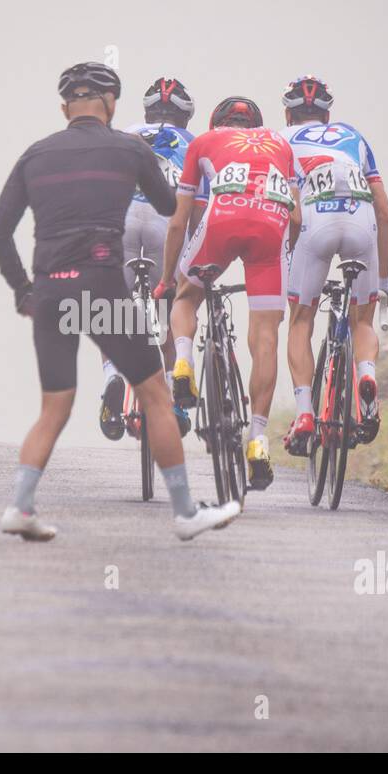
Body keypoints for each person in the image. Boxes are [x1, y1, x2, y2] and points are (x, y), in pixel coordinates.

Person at [0, 62, 241, 542]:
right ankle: (186, 513)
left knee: (54, 408)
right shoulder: (129, 148)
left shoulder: (35, 155)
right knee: (155, 395)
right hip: (104, 288)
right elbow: (170, 208)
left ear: (65, 108)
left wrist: (24, 290)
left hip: (51, 292)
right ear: (109, 105)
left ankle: (20, 507)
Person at [159, 96, 300, 491]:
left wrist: (168, 278)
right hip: (271, 230)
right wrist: (283, 257)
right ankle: (257, 440)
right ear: (256, 125)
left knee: (186, 297)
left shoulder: (202, 142)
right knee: (267, 335)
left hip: (221, 220)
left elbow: (179, 220)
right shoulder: (281, 145)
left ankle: (183, 364)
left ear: (217, 122)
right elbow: (298, 218)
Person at [277, 76, 388, 455]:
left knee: (300, 321)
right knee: (363, 320)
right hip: (362, 220)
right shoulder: (354, 137)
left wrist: (285, 261)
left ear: (287, 113)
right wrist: (384, 280)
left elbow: (288, 213)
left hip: (314, 222)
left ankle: (304, 414)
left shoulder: (281, 141)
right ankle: (366, 378)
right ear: (328, 115)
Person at [99, 76, 196, 442]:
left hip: (121, 222)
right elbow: (199, 204)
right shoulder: (193, 143)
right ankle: (171, 397)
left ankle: (112, 378)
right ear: (185, 117)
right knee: (174, 306)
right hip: (164, 225)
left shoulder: (124, 133)